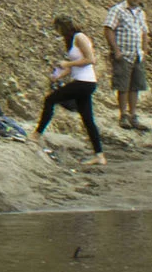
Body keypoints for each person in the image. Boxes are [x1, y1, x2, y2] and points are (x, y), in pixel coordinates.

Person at [35, 16, 106, 164]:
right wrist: (60, 75)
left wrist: (67, 63)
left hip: (84, 82)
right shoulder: (71, 39)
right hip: (82, 81)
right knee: (87, 119)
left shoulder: (79, 37)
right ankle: (99, 155)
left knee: (50, 100)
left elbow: (90, 60)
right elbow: (76, 65)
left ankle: (37, 134)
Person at [104, 0, 152, 131]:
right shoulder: (117, 10)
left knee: (135, 86)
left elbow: (144, 32)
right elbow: (108, 29)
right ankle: (123, 114)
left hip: (137, 54)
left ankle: (133, 115)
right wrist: (116, 50)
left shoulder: (140, 12)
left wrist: (144, 50)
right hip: (124, 53)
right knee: (123, 85)